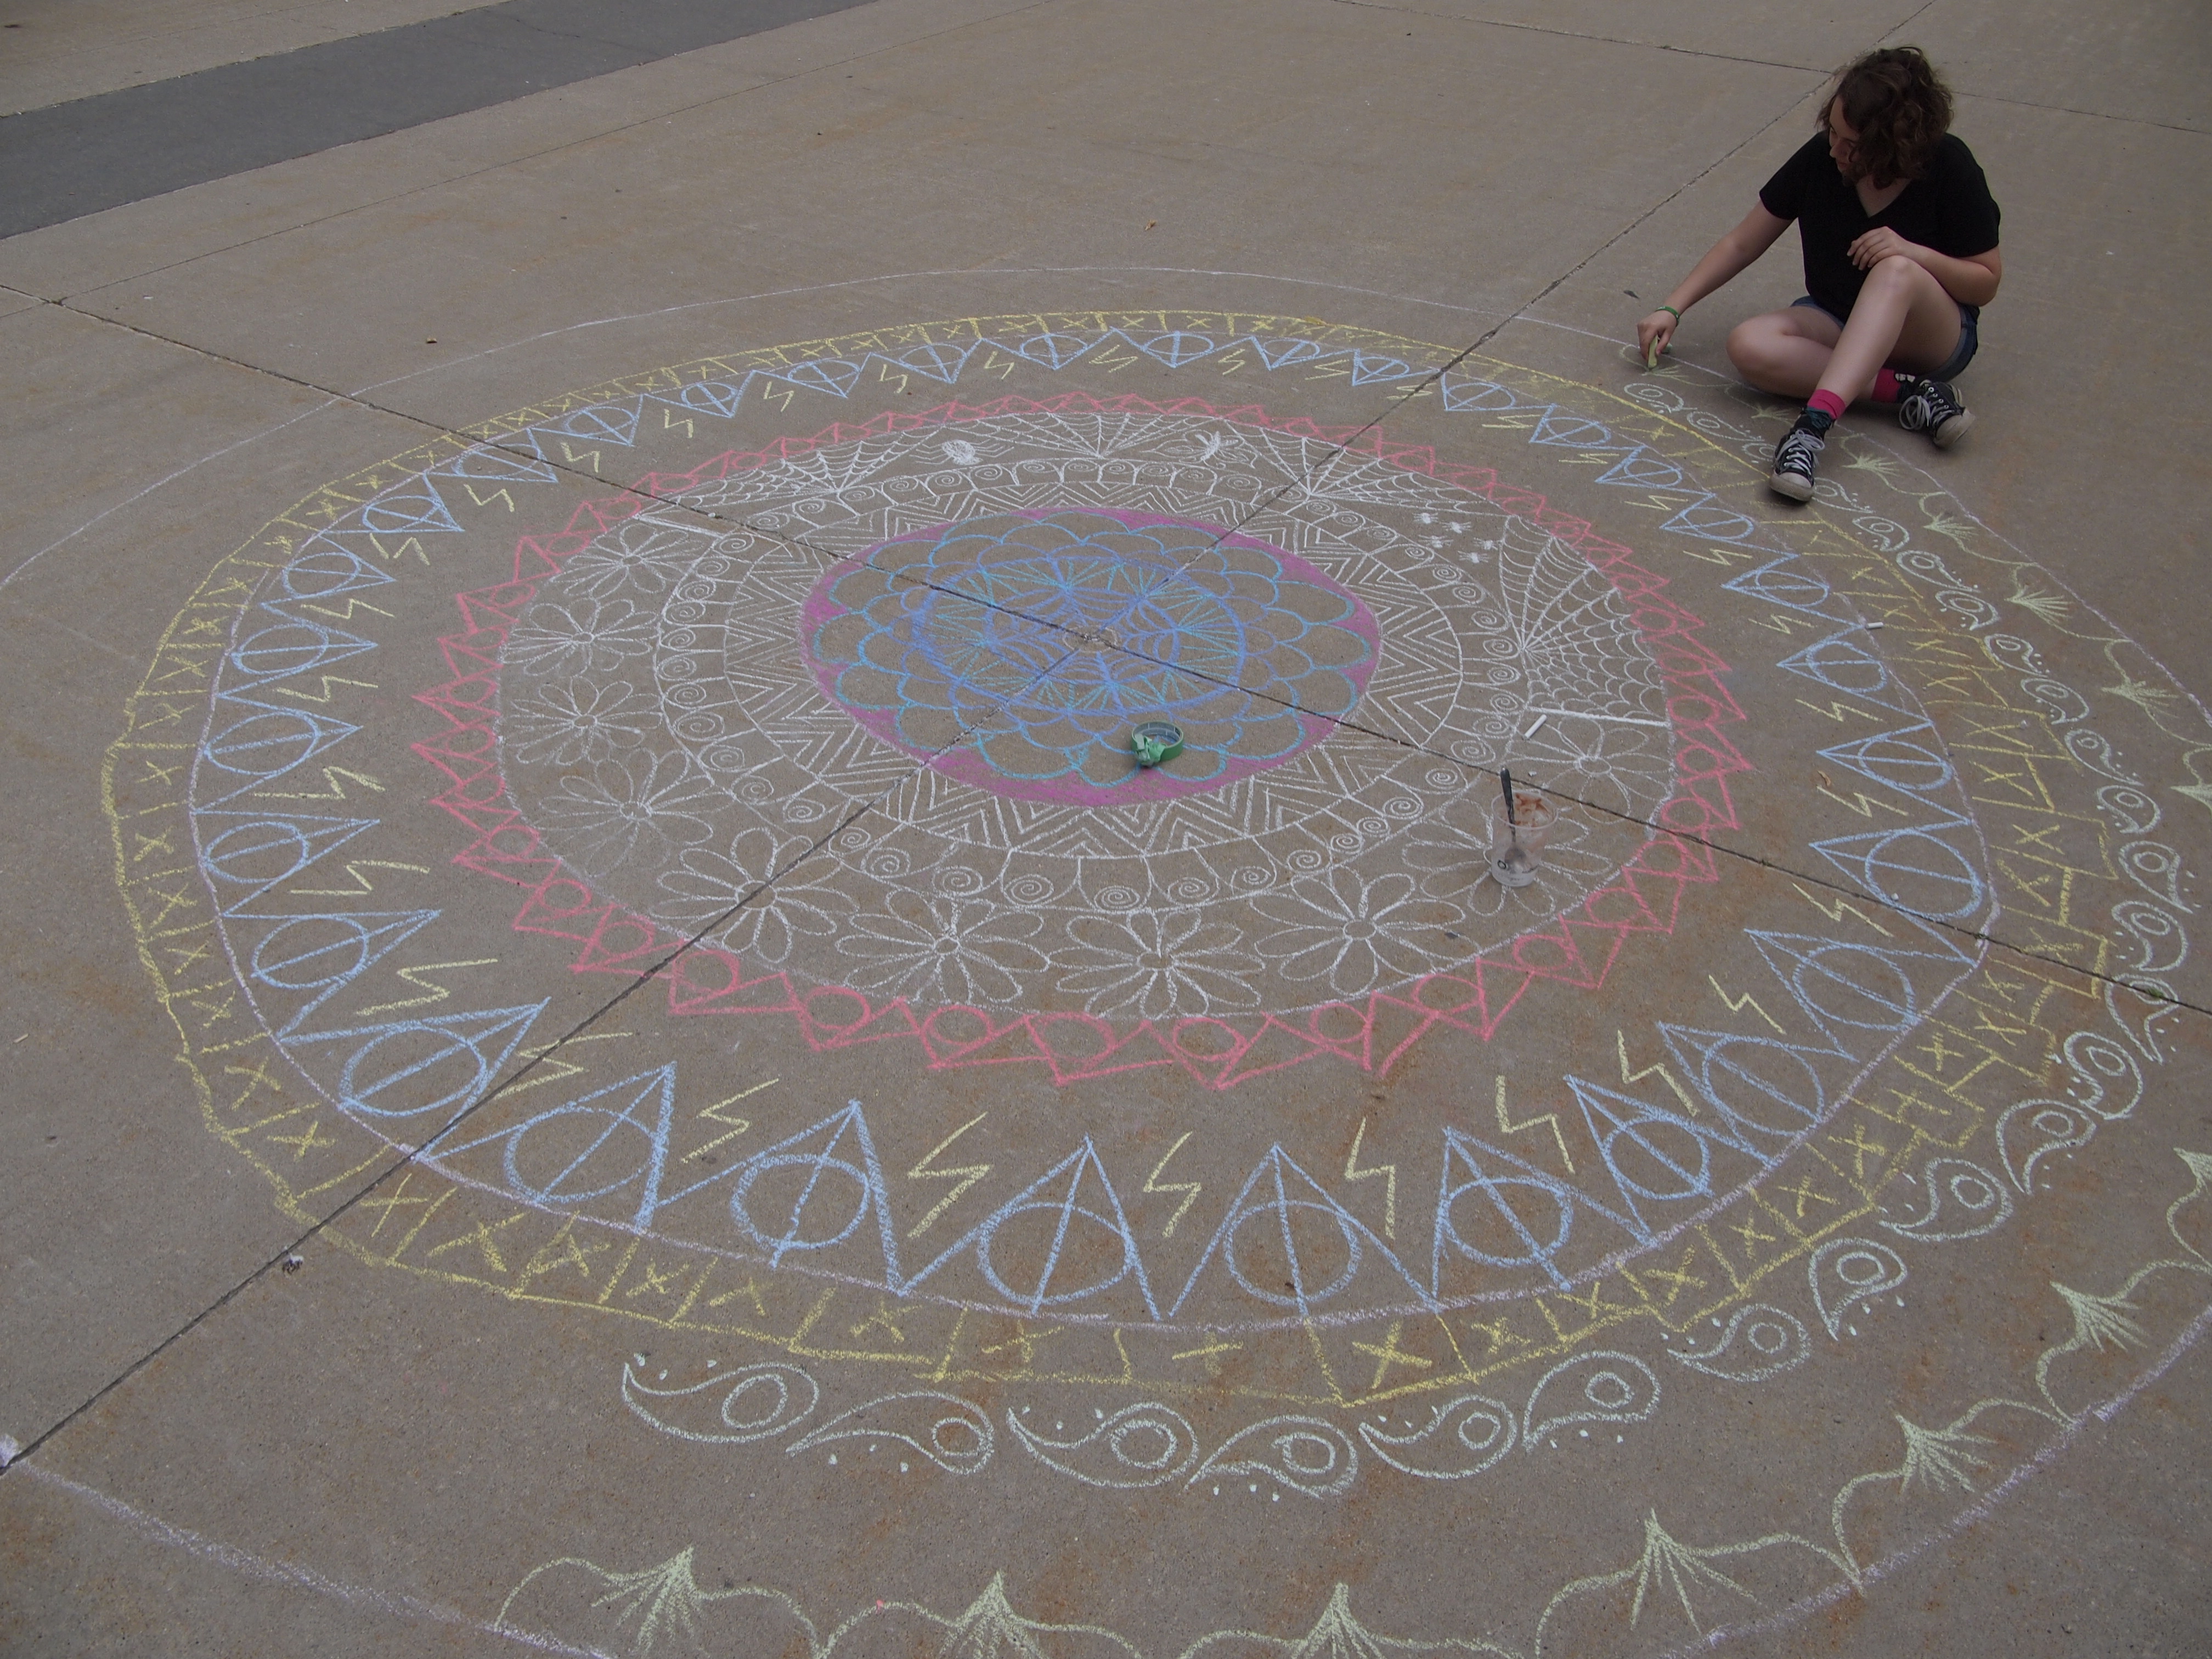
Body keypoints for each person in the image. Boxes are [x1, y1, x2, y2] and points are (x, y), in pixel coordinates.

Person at [1637, 47, 2002, 502]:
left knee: (1896, 271)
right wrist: (1673, 306)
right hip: (1838, 318)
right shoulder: (1822, 159)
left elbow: (1986, 280)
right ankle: (1912, 394)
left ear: (1894, 143)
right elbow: (1744, 241)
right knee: (1748, 344)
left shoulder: (1951, 166)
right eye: (1832, 131)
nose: (1835, 150)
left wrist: (1915, 254)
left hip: (1928, 335)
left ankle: (1810, 430)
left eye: (1851, 145)